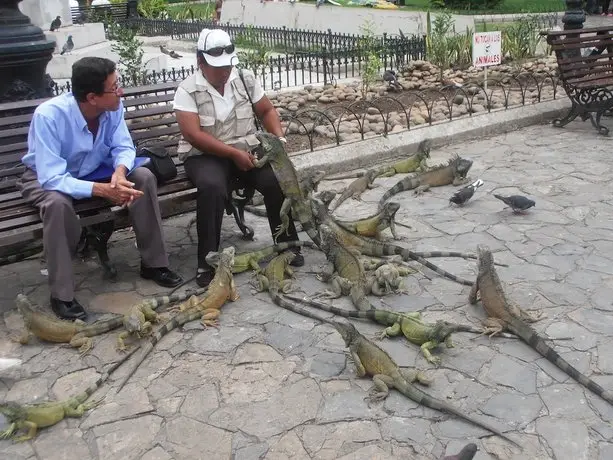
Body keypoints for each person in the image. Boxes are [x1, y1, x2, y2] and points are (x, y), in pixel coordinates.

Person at [17, 57, 183, 321]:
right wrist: (103, 190)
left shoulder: (113, 108)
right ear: (92, 97)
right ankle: (62, 295)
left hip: (97, 170)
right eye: (114, 87)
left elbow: (124, 147)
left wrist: (118, 173)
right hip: (48, 177)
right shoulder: (49, 116)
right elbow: (51, 177)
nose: (120, 91)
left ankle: (154, 264)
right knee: (57, 205)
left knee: (143, 177)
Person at [173, 28, 303, 288]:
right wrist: (232, 154)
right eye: (216, 67)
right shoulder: (187, 90)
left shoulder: (244, 78)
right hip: (205, 155)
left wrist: (279, 139)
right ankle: (207, 261)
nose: (223, 72)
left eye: (227, 66)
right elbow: (194, 136)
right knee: (211, 188)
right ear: (201, 62)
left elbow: (266, 110)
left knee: (274, 179)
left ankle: (286, 243)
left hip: (245, 148)